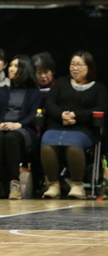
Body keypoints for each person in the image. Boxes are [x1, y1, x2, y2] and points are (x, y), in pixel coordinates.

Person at [41, 51, 108, 199]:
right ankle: (54, 185)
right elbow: (49, 103)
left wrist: (76, 116)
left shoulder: (99, 88)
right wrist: (61, 115)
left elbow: (100, 109)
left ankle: (77, 185)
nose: (75, 68)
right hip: (58, 125)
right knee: (47, 144)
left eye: (79, 65)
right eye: (72, 64)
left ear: (89, 67)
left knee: (73, 145)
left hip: (84, 128)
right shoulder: (61, 83)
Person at [0, 55, 42, 200]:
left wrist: (18, 124)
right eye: (10, 66)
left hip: (23, 128)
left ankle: (15, 183)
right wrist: (0, 123)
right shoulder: (0, 91)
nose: (11, 69)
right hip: (1, 126)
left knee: (12, 137)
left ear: (24, 69)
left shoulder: (34, 92)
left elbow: (34, 114)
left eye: (16, 66)